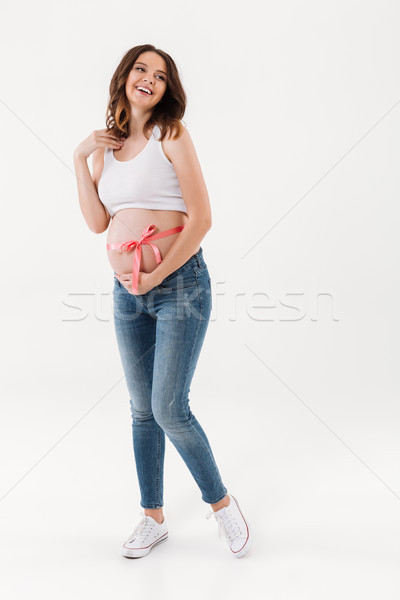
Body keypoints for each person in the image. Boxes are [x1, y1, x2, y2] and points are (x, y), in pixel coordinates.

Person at [73, 44, 252, 559]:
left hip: (181, 286)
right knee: (141, 410)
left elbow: (201, 219)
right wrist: (80, 155)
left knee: (169, 407)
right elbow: (96, 222)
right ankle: (152, 518)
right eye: (140, 69)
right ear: (124, 77)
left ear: (168, 89)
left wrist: (156, 278)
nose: (148, 78)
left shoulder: (170, 133)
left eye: (160, 74)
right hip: (127, 293)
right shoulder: (106, 146)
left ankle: (222, 505)